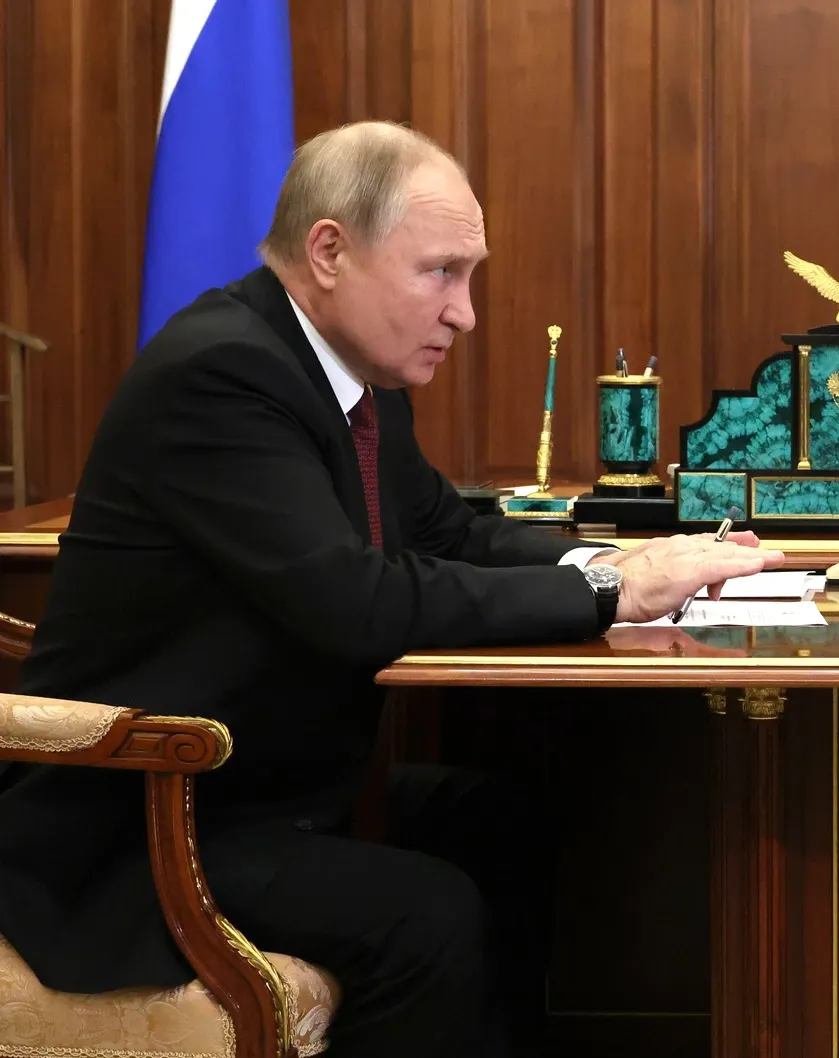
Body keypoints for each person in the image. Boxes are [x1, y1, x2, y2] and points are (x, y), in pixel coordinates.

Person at [0, 121, 782, 1058]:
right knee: (427, 914)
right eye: (441, 273)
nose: (466, 313)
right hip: (145, 821)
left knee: (501, 823)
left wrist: (617, 565)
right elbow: (355, 600)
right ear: (330, 251)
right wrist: (614, 595)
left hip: (265, 786)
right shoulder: (220, 374)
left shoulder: (352, 377)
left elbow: (451, 536)